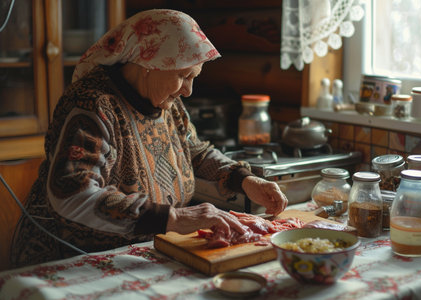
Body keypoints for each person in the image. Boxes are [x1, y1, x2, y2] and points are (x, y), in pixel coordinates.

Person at [11, 9, 288, 267]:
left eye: (194, 77)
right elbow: (73, 194)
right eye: (183, 75)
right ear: (149, 63)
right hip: (71, 256)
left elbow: (196, 152)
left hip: (136, 252)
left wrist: (245, 179)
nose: (189, 91)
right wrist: (175, 218)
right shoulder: (93, 105)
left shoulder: (168, 104)